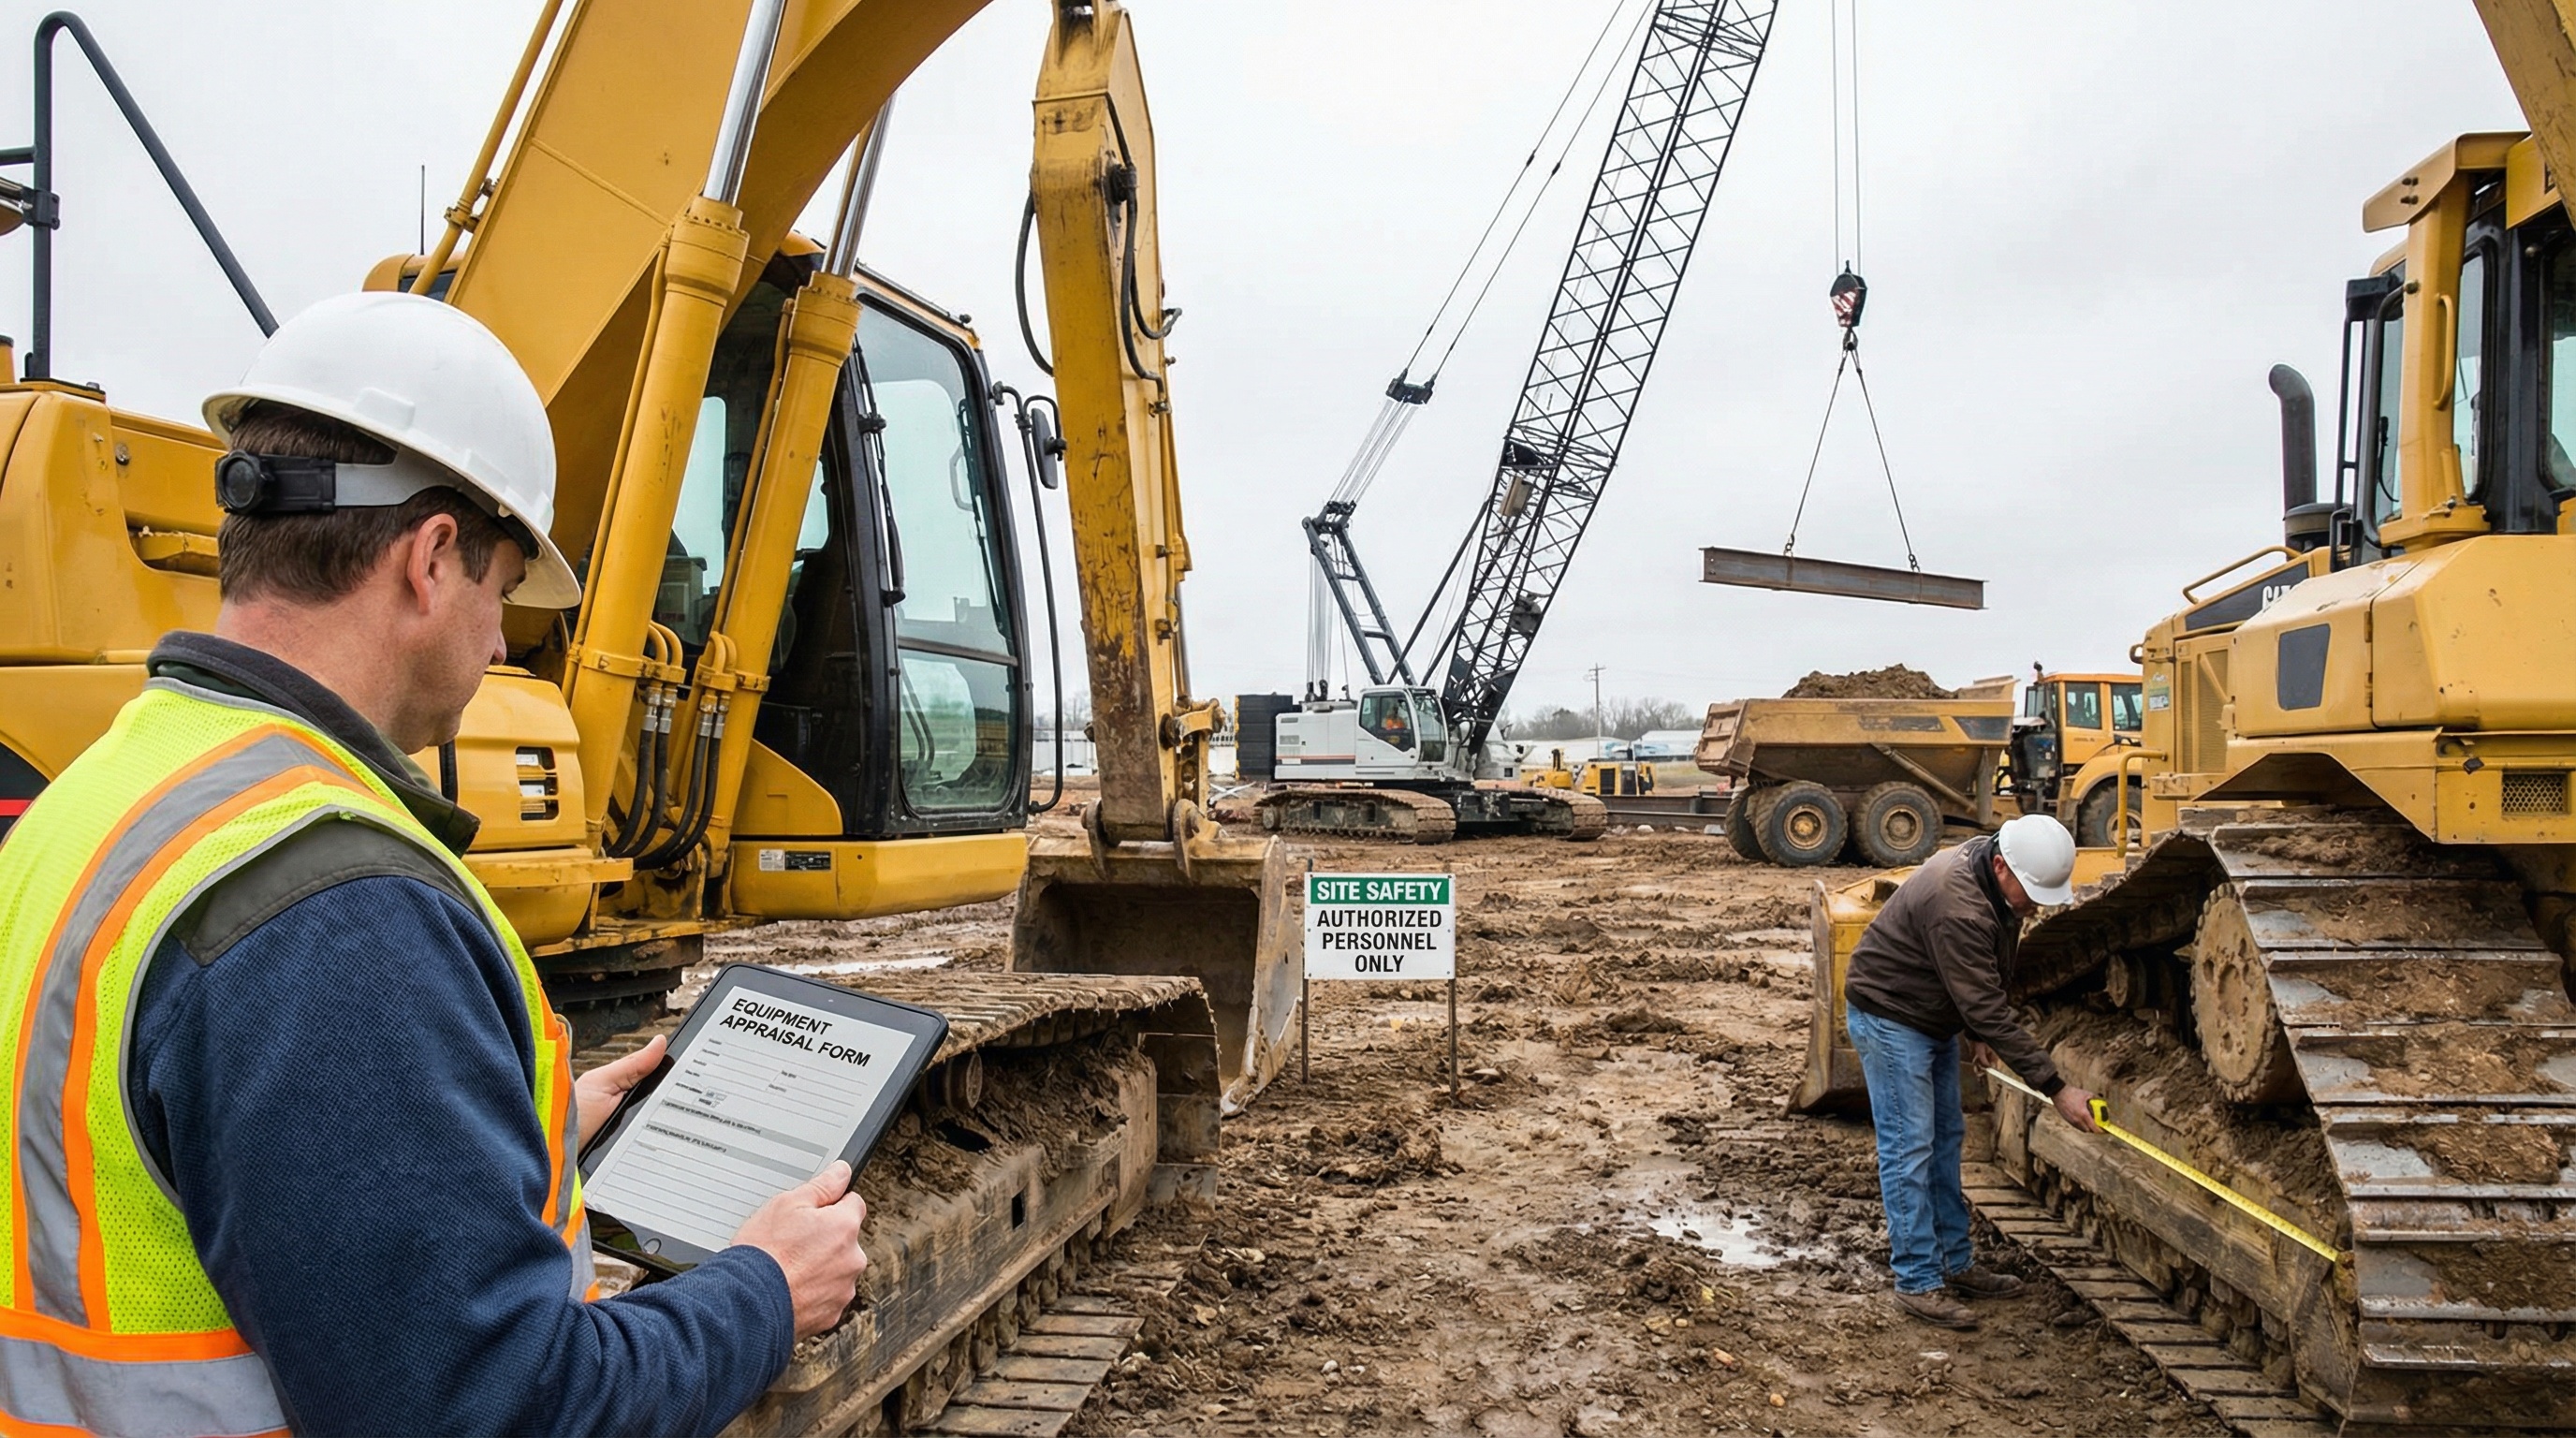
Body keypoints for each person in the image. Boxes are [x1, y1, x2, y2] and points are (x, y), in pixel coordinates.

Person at [0, 292, 869, 1435]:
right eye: (504, 592)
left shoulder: (107, 794)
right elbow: (496, 1408)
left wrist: (510, 1126)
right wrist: (761, 1291)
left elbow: (180, 1153)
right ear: (433, 558)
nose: (504, 642)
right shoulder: (333, 909)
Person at [1841, 814, 2100, 1329]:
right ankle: (1917, 1280)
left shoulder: (1998, 875)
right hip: (1890, 1017)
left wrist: (1976, 1032)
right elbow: (1984, 1003)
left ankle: (1955, 1263)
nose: (2030, 905)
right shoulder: (1957, 905)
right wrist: (2056, 1088)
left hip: (1929, 1013)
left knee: (1944, 1138)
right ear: (2001, 865)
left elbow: (1989, 969)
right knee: (1909, 1146)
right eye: (2028, 893)